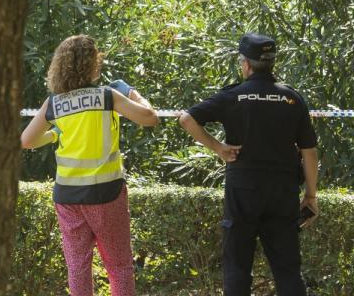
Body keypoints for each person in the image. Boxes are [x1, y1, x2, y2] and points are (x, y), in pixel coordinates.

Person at [179, 33, 318, 296]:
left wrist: (218, 148)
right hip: (283, 191)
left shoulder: (234, 96)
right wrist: (310, 195)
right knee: (287, 269)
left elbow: (187, 119)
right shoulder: (292, 98)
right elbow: (309, 152)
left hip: (243, 191)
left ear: (245, 64)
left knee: (237, 267)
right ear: (272, 63)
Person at [21, 35, 158, 296]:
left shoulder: (55, 103)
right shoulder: (108, 96)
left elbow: (27, 141)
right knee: (118, 266)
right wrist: (132, 93)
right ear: (93, 63)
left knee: (78, 267)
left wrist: (55, 135)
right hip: (106, 194)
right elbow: (150, 119)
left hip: (68, 196)